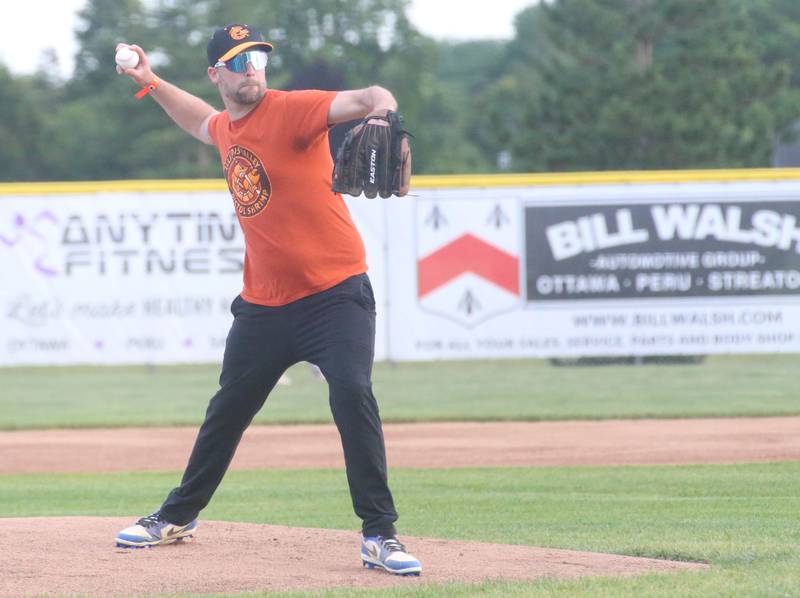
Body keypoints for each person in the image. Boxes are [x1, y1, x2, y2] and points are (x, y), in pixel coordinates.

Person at [113, 23, 421, 577]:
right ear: (216, 75)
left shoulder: (292, 110)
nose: (250, 67)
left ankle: (380, 534)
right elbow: (201, 122)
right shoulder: (228, 127)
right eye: (236, 61)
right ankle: (178, 516)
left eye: (256, 57)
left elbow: (372, 96)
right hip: (264, 305)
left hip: (335, 293)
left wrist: (382, 113)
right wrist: (149, 80)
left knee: (352, 395)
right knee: (228, 409)